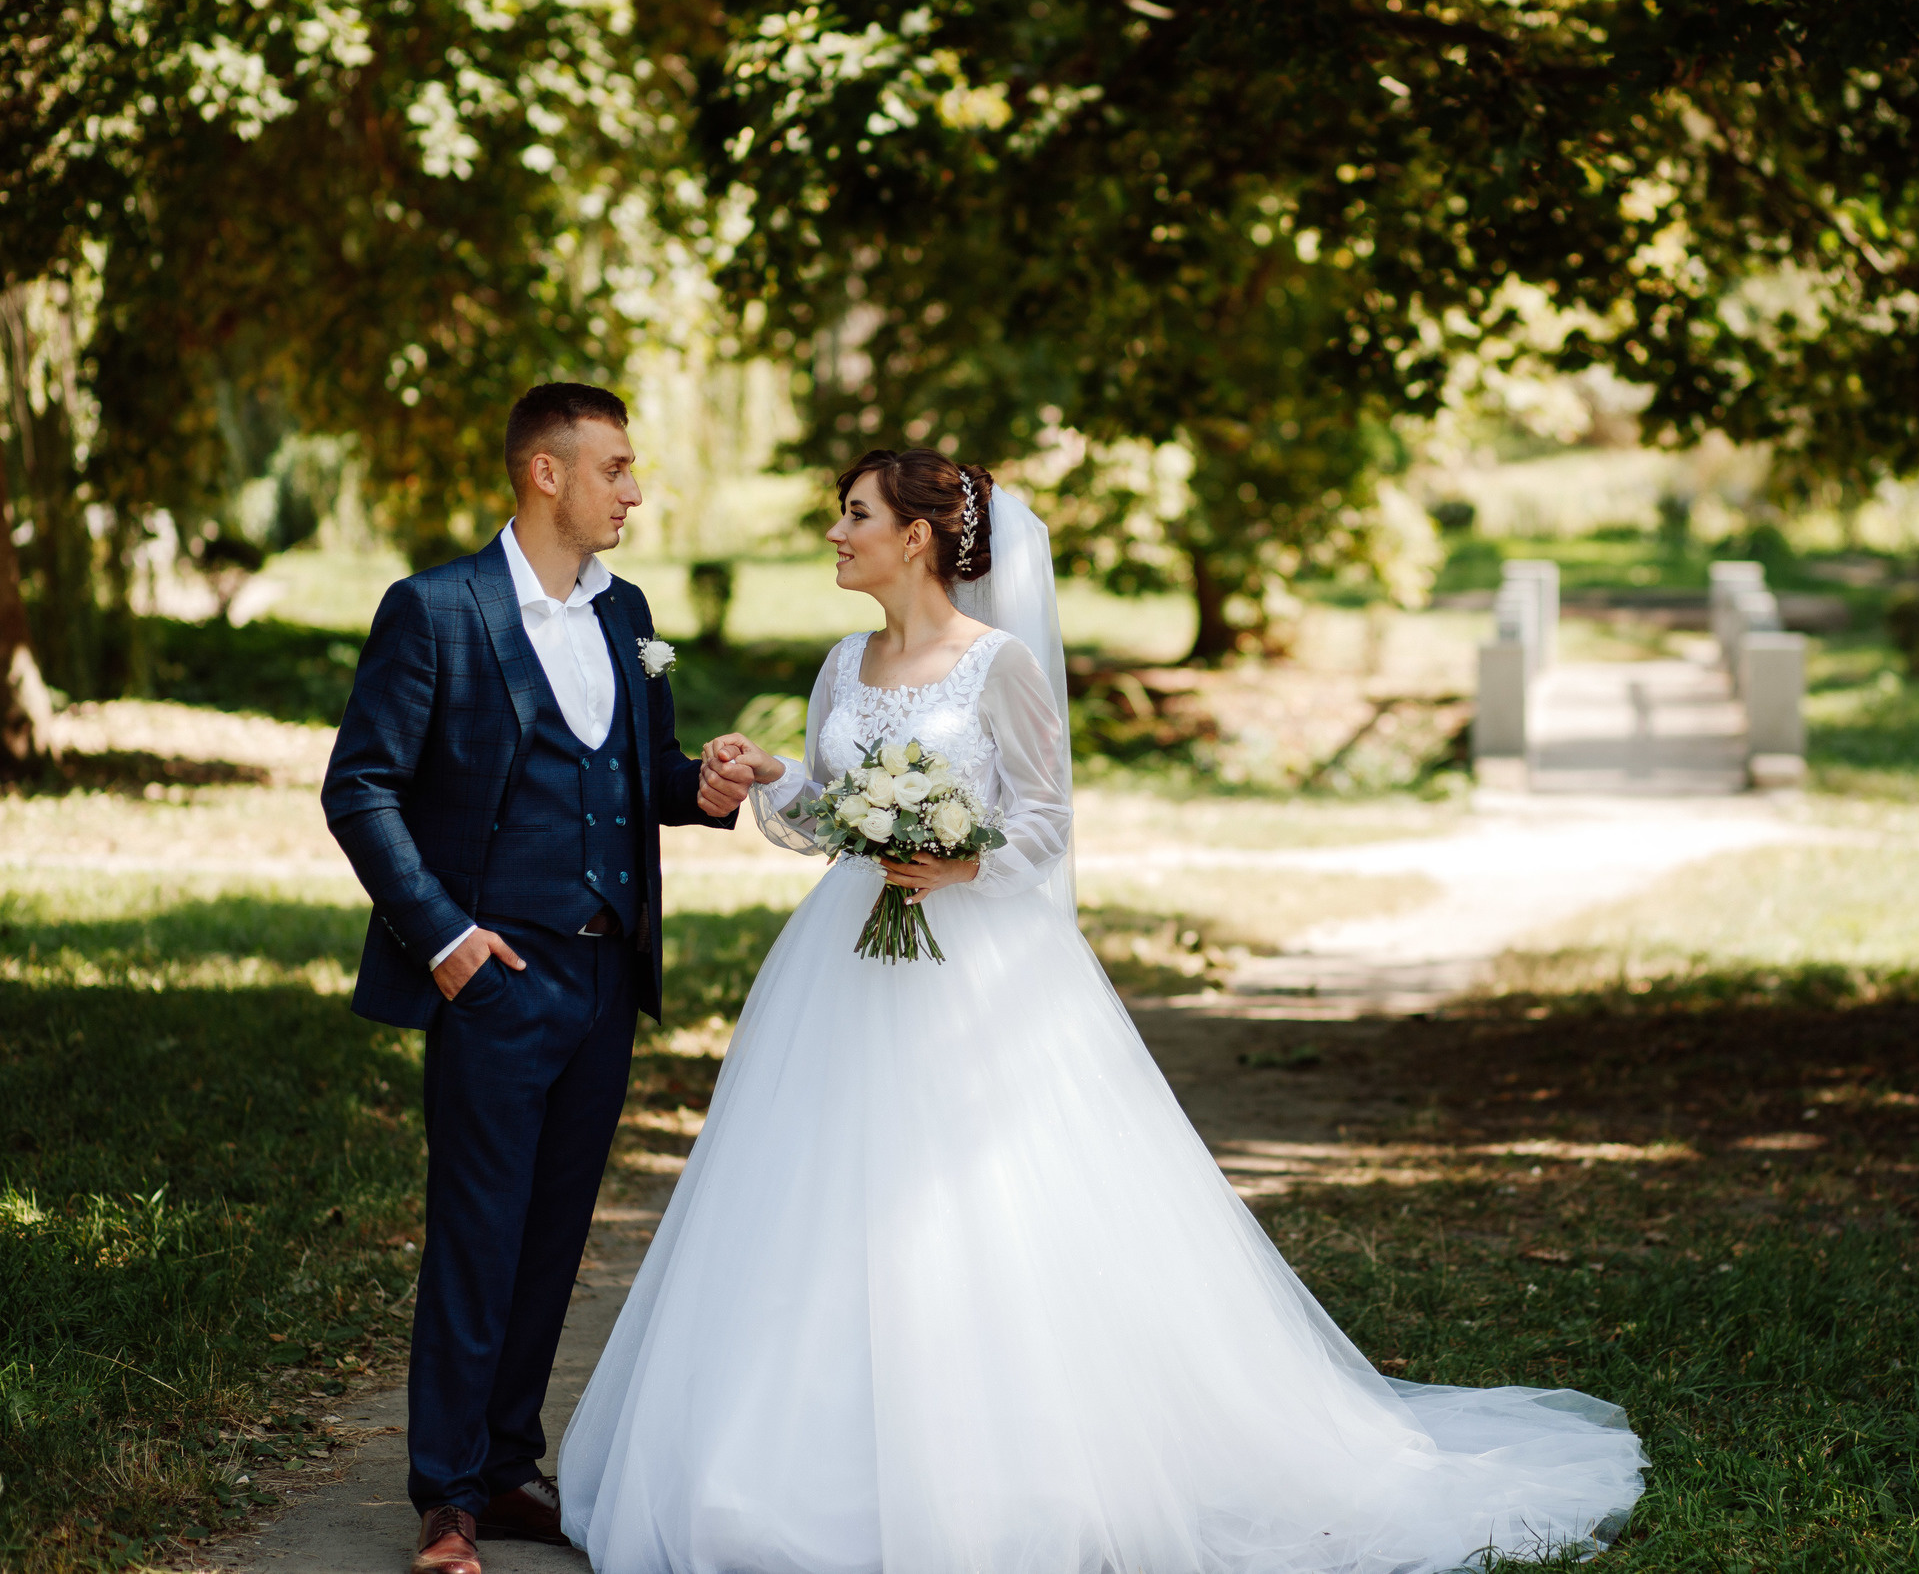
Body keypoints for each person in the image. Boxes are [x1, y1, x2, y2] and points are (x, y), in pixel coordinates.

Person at [556, 448, 1647, 1574]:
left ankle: (1009, 1470)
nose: (837, 534)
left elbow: (1044, 817)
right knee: (817, 1196)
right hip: (845, 961)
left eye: (855, 516)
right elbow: (835, 813)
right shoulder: (846, 659)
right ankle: (798, 1467)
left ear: (916, 536)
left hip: (973, 974)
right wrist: (773, 774)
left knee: (985, 1205)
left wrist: (962, 864)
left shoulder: (998, 665)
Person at [320, 383, 755, 1574]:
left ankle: (511, 1467)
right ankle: (447, 1495)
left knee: (556, 1228)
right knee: (478, 1230)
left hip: (608, 975)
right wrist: (447, 940)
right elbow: (359, 787)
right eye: (615, 467)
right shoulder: (437, 608)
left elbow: (639, 773)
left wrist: (703, 789)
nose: (634, 489)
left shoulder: (631, 613)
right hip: (495, 977)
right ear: (545, 475)